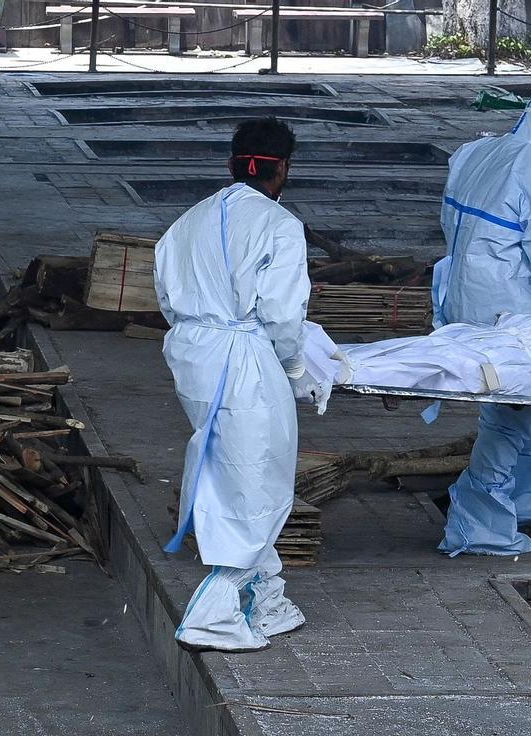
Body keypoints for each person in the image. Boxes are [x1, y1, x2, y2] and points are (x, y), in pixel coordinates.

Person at [156, 117, 325, 653]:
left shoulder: (188, 221)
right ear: (283, 168)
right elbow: (281, 314)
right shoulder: (279, 224)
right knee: (258, 480)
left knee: (229, 469)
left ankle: (268, 599)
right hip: (244, 358)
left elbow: (164, 294)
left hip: (193, 355)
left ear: (233, 163)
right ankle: (214, 614)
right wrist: (297, 370)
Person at [432, 81, 531, 557]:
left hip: (464, 301)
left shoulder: (477, 151)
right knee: (511, 416)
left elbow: (450, 226)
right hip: (511, 314)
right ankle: (477, 520)